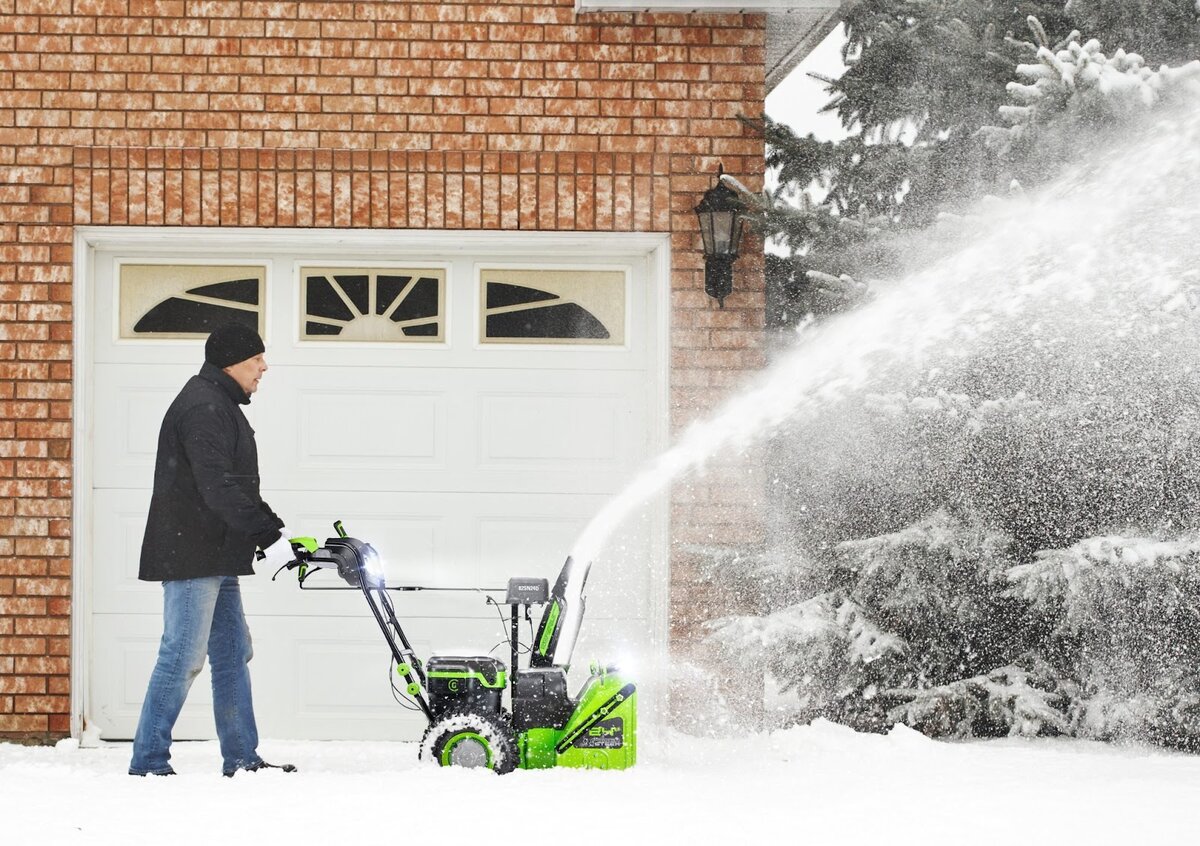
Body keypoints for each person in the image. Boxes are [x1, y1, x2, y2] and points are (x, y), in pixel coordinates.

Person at [129, 321, 298, 777]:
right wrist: (266, 535)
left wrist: (274, 530)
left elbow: (237, 483)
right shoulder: (204, 406)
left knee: (232, 650)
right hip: (192, 553)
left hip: (215, 552)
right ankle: (148, 761)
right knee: (183, 654)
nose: (264, 367)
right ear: (231, 363)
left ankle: (242, 758)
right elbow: (218, 487)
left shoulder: (219, 402)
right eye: (255, 360)